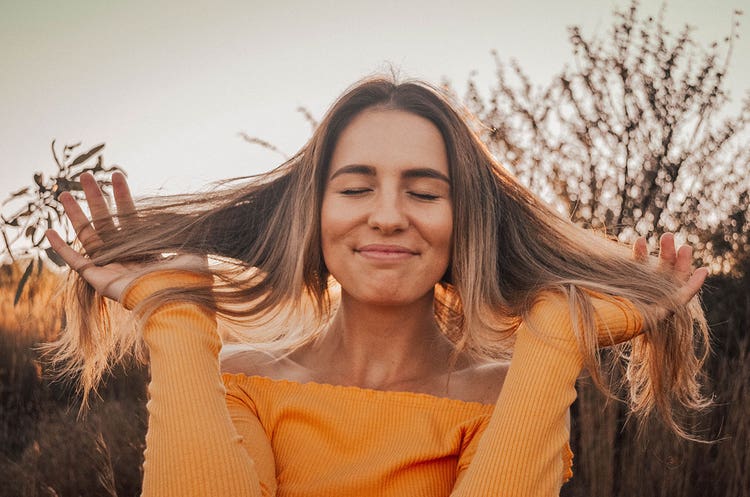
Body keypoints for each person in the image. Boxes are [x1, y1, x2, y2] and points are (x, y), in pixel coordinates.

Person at [45, 76, 709, 497]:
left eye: (423, 191)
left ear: (464, 220)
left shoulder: (506, 395)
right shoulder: (243, 382)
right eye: (355, 187)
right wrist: (181, 317)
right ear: (315, 215)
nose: (388, 213)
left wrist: (557, 332)